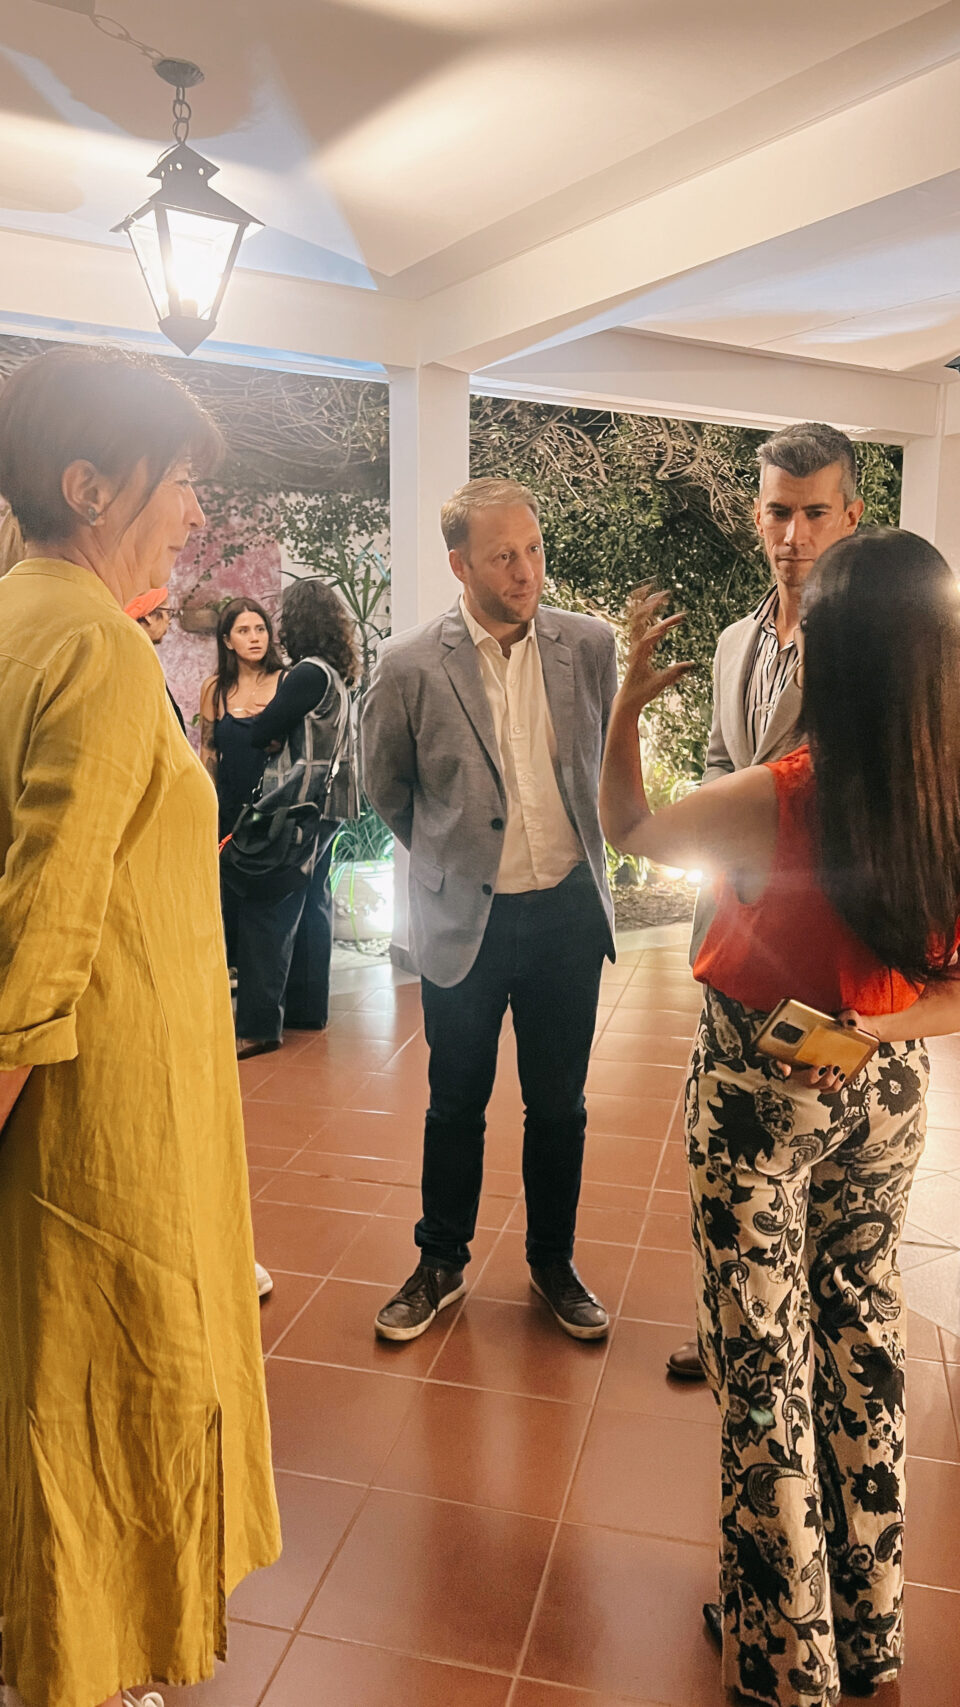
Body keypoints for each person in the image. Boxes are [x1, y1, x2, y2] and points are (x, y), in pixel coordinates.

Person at [600, 532, 960, 1707]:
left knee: (762, 1361)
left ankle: (785, 1653)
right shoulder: (950, 797)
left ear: (831, 657)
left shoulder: (780, 797)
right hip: (887, 1094)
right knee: (865, 1337)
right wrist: (881, 1027)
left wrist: (624, 709)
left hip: (763, 1094)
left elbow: (632, 830)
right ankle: (871, 1628)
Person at [0, 346, 280, 1707]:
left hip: (82, 1103)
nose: (192, 512)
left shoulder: (18, 616)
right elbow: (39, 940)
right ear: (88, 484)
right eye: (176, 482)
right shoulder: (99, 650)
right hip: (98, 1125)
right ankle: (91, 1659)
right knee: (110, 1396)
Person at [362, 476, 617, 1343]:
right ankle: (439, 1261)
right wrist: (450, 859)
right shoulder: (408, 665)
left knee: (559, 1106)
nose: (525, 570)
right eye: (503, 555)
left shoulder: (588, 645)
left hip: (566, 913)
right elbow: (387, 788)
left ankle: (553, 1261)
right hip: (463, 922)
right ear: (459, 564)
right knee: (454, 1102)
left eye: (533, 549)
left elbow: (601, 761)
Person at [671, 421, 864, 1385]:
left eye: (814, 513)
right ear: (757, 514)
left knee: (809, 1180)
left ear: (852, 515)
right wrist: (725, 846)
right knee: (727, 1166)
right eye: (779, 512)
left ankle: (787, 1354)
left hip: (830, 953)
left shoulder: (872, 650)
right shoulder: (733, 641)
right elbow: (720, 761)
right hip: (734, 938)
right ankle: (728, 1330)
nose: (794, 535)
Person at [227, 576, 361, 1056]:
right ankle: (307, 1009)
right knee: (312, 904)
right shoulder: (338, 677)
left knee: (268, 907)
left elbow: (260, 729)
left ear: (298, 624)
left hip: (297, 804)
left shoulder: (306, 674)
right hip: (330, 806)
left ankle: (258, 1027)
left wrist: (268, 733)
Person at [199, 598, 285, 840]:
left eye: (260, 629)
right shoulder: (214, 688)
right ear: (227, 641)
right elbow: (208, 751)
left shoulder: (286, 681)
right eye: (243, 631)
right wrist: (208, 809)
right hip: (230, 807)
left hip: (276, 808)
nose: (254, 638)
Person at [124, 584, 186, 733]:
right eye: (168, 612)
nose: (169, 621)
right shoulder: (135, 660)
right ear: (148, 616)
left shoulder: (136, 653)